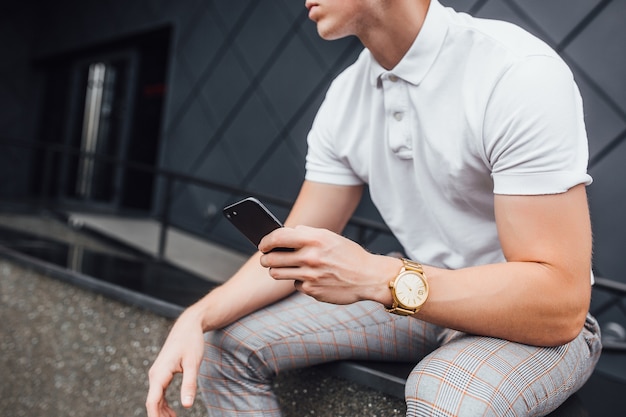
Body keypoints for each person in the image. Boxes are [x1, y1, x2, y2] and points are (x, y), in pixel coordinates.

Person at [146, 0, 602, 416]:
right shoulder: (346, 96)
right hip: (420, 298)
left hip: (530, 320)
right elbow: (290, 248)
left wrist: (376, 276)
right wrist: (197, 315)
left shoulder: (515, 71)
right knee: (224, 346)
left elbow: (559, 302)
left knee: (443, 391)